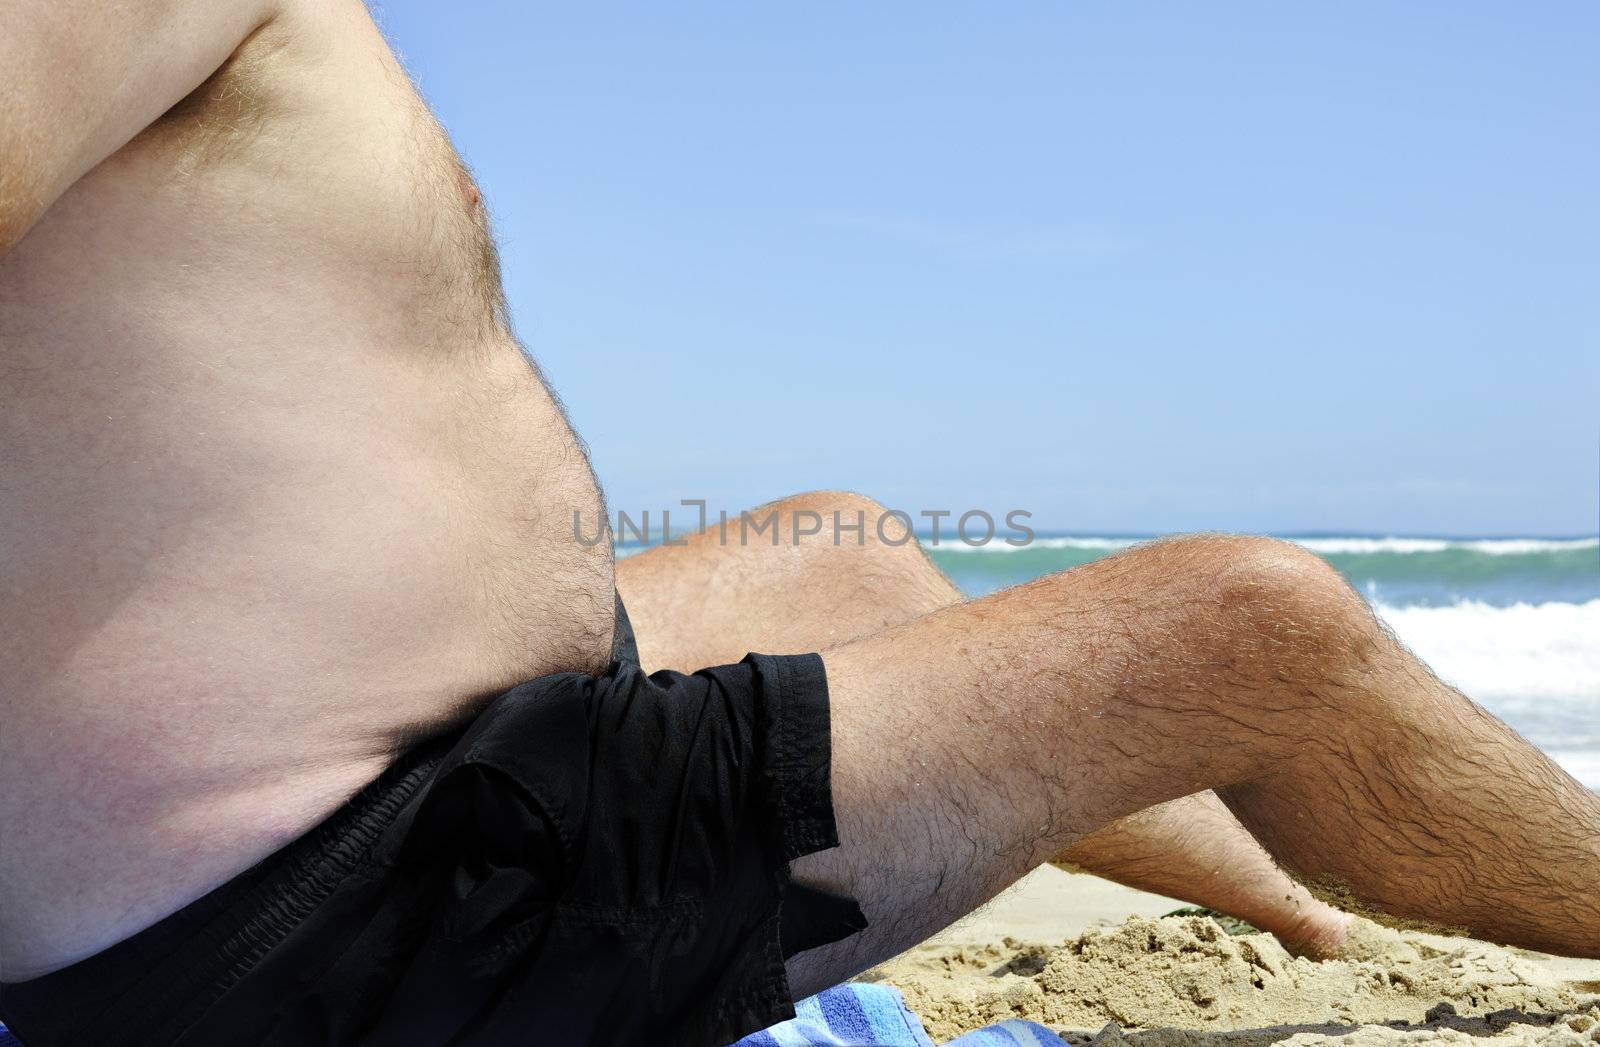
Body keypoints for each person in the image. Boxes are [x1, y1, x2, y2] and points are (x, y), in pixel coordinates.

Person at [2, 2, 1596, 1044]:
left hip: (415, 776)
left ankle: (1305, 905)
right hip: (375, 911)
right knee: (1256, 630)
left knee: (837, 550)